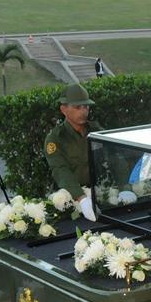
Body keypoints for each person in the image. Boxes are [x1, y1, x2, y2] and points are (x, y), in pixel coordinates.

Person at [44, 84, 100, 221]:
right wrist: (81, 198)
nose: (83, 111)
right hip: (68, 201)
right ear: (63, 109)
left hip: (98, 196)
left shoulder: (97, 130)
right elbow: (61, 170)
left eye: (86, 107)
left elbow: (114, 157)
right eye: (77, 107)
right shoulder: (56, 138)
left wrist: (125, 187)